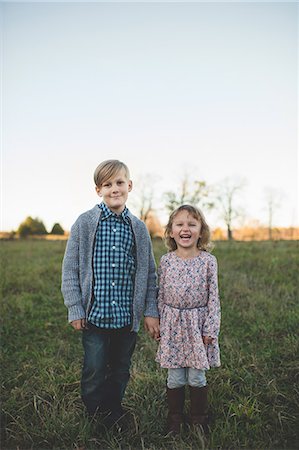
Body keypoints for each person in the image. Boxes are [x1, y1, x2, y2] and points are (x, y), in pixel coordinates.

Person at [61, 159, 159, 430]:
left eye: (119, 183)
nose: (114, 188)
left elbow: (149, 274)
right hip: (94, 317)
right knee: (94, 369)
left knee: (119, 370)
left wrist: (150, 310)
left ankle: (113, 410)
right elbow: (70, 269)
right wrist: (75, 308)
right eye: (107, 184)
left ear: (130, 185)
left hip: (125, 319)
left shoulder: (138, 229)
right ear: (98, 190)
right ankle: (94, 414)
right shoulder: (85, 223)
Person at [156, 204, 221, 434]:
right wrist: (159, 322)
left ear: (201, 231)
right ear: (171, 232)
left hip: (197, 324)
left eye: (192, 224)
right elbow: (161, 295)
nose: (186, 229)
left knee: (196, 375)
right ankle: (175, 418)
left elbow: (214, 297)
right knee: (175, 375)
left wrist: (211, 328)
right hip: (172, 324)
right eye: (180, 224)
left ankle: (198, 418)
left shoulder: (208, 261)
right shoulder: (166, 261)